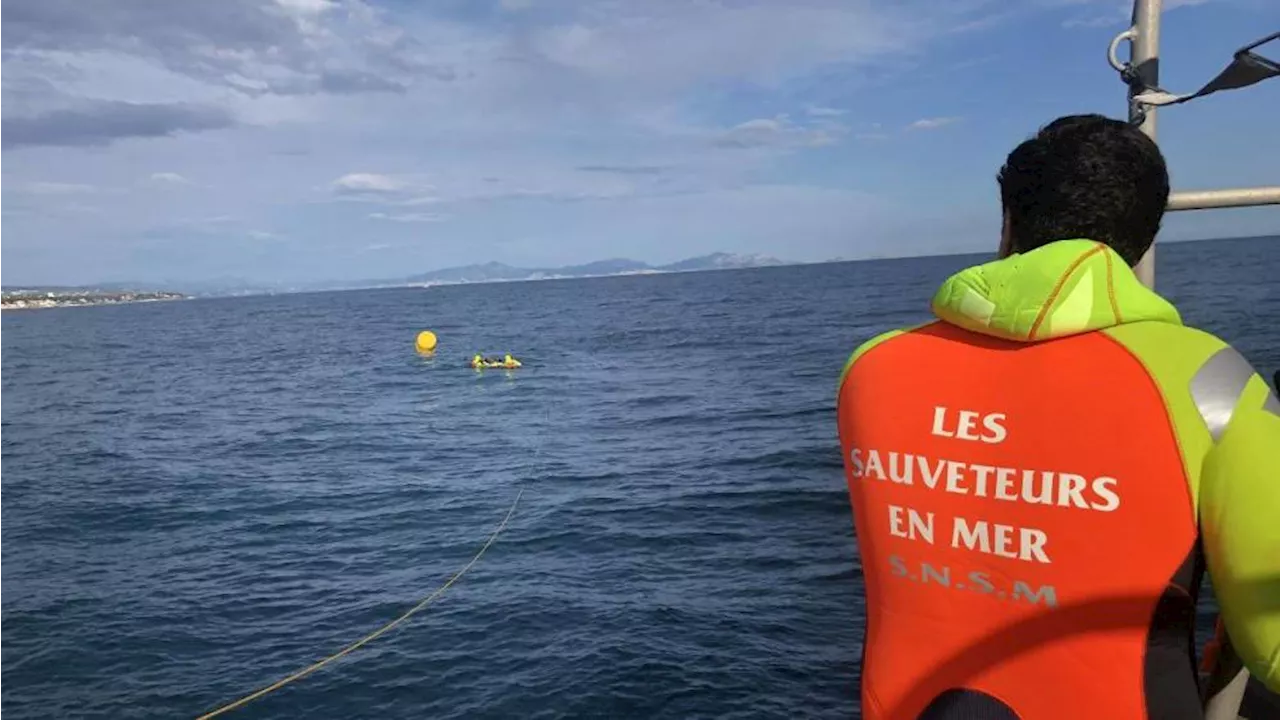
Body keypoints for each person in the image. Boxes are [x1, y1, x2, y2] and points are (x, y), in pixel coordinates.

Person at [835, 113, 1280, 719]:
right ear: (1143, 241)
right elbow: (1272, 642)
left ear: (1008, 223)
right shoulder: (1211, 382)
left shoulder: (871, 369)